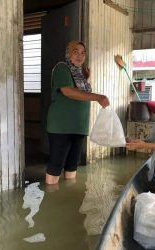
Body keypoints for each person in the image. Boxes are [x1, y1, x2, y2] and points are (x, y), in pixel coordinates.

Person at [46, 41, 110, 185]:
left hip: (79, 126)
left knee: (72, 165)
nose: (80, 55)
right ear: (68, 53)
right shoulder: (62, 68)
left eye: (83, 52)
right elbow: (68, 92)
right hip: (61, 127)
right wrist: (98, 97)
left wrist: (86, 79)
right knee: (56, 165)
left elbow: (79, 91)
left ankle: (68, 198)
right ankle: (51, 197)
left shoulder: (79, 74)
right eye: (76, 51)